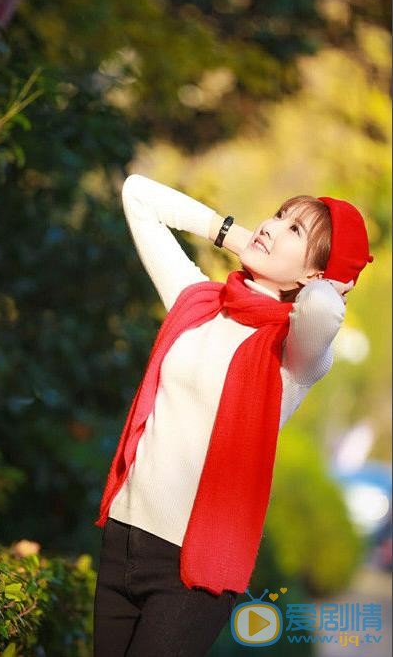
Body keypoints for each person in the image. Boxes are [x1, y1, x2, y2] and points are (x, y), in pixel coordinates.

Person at [92, 173, 373, 657]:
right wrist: (242, 238)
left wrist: (320, 279)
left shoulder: (295, 355)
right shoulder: (198, 301)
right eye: (279, 216)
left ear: (315, 276)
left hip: (189, 571)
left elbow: (325, 310)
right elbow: (137, 194)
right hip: (124, 538)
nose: (272, 226)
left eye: (295, 232)